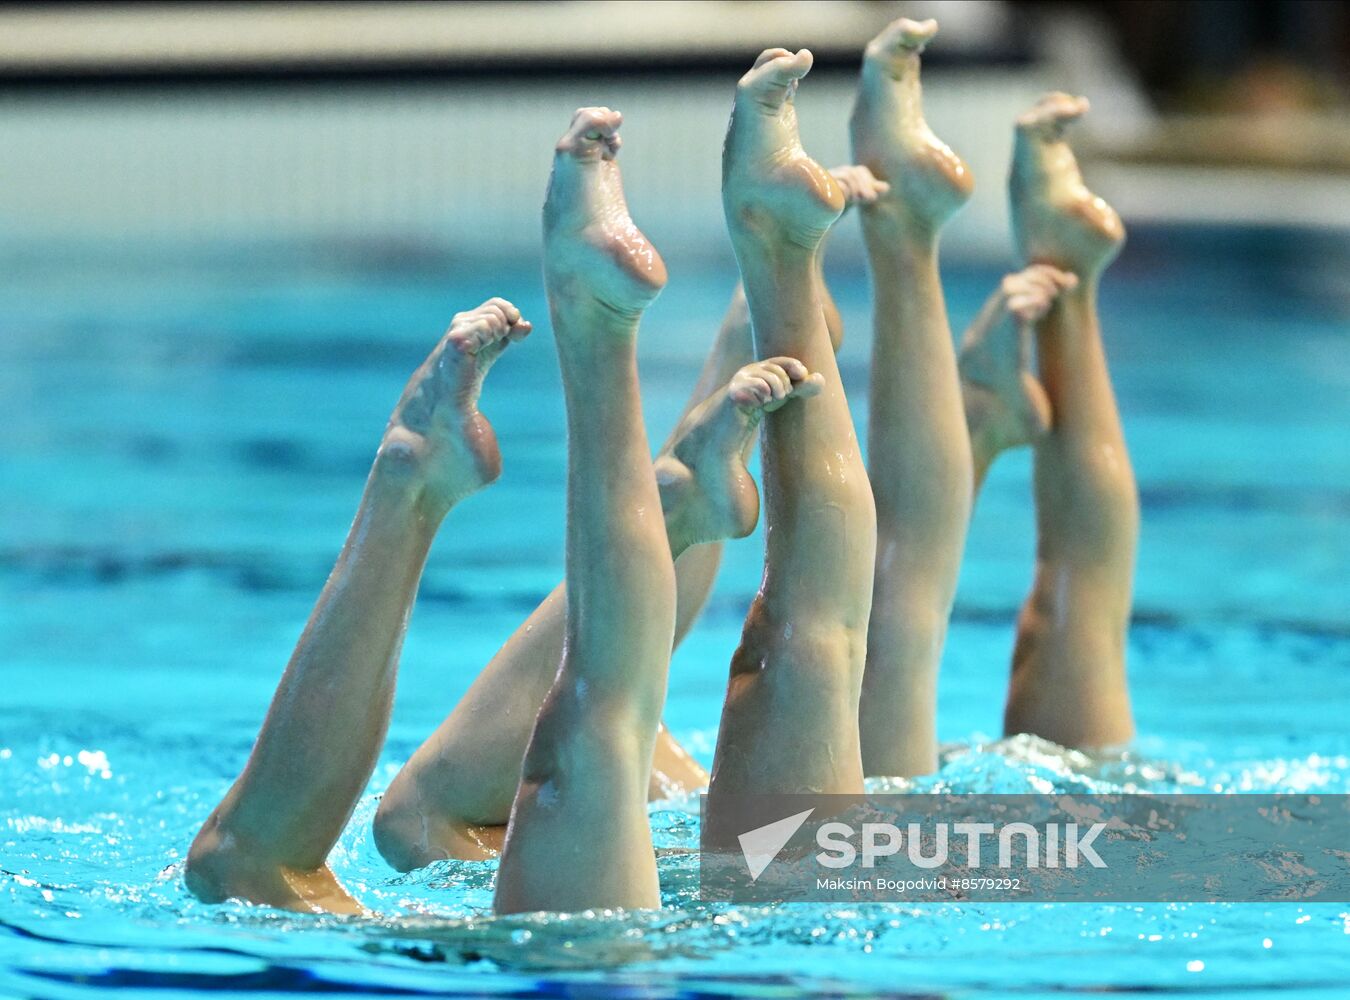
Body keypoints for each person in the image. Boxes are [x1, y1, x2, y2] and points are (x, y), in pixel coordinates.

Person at [372, 162, 887, 871]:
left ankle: (771, 270)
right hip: (791, 886)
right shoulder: (1054, 856)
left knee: (812, 646)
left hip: (799, 880)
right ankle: (688, 311)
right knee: (809, 648)